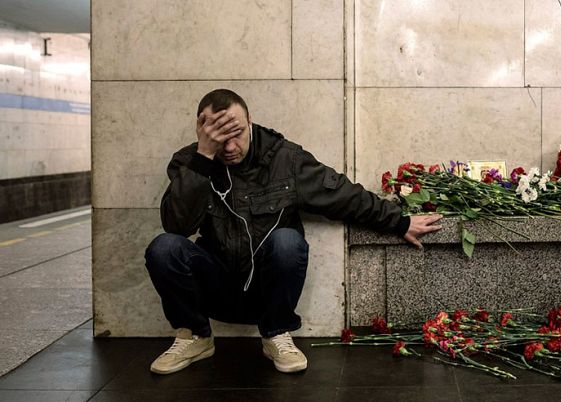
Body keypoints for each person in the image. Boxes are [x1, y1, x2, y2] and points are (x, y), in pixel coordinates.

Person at [145, 89, 442, 375]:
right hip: (216, 285)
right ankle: (195, 336)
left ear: (250, 122)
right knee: (163, 247)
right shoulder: (190, 162)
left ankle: (276, 333)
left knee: (287, 240)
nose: (231, 147)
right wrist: (203, 158)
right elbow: (177, 226)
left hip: (266, 289)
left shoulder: (284, 159)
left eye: (237, 134)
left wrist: (400, 222)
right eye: (221, 139)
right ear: (203, 132)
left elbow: (342, 195)